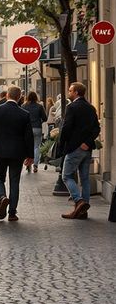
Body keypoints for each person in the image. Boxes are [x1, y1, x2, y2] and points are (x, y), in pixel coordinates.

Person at [0, 86, 34, 222]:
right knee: (15, 181)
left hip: (0, 151)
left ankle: (2, 197)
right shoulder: (24, 114)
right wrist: (30, 155)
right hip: (18, 152)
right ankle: (12, 213)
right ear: (19, 98)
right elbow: (29, 137)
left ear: (6, 96)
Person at [60, 82, 101, 220]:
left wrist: (62, 144)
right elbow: (96, 128)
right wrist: (87, 142)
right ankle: (83, 211)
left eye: (70, 90)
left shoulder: (72, 107)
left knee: (66, 176)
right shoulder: (91, 108)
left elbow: (66, 128)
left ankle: (79, 201)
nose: (69, 92)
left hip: (74, 148)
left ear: (76, 92)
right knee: (85, 179)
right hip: (86, 148)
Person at [21, 91, 47, 174]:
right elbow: (45, 118)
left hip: (27, 129)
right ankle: (35, 165)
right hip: (37, 128)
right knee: (36, 147)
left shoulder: (24, 106)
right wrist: (39, 121)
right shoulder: (39, 106)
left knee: (27, 146)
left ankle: (28, 163)